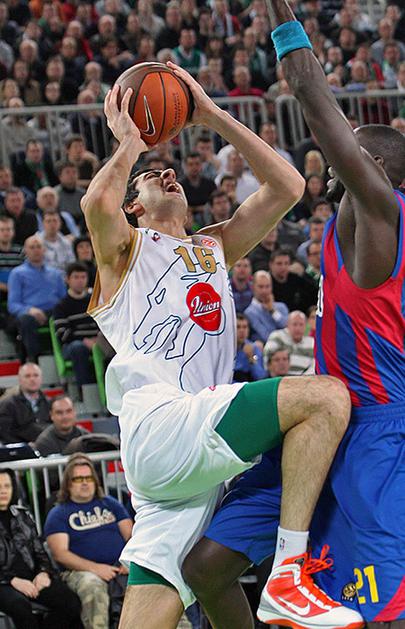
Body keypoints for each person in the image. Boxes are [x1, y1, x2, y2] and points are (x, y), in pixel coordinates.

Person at [81, 62, 361, 629]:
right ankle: (289, 571)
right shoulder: (124, 252)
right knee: (326, 398)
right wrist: (130, 144)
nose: (168, 173)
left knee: (179, 589)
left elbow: (288, 187)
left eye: (169, 170)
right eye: (151, 176)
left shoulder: (212, 248)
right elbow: (96, 206)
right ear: (134, 207)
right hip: (163, 421)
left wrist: (209, 113)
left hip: (184, 459)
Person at [183, 3, 405, 628]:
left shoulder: (382, 214)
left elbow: (309, 89)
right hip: (321, 424)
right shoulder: (344, 227)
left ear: (374, 170)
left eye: (350, 150)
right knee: (207, 568)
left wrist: (279, 13)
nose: (332, 158)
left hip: (374, 435)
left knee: (370, 612)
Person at [45, 454, 132, 629]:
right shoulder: (59, 513)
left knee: (155, 581)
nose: (85, 483)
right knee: (93, 586)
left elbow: (131, 537)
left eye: (88, 478)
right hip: (79, 572)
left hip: (121, 566)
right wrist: (95, 568)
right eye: (78, 479)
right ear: (68, 484)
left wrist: (128, 561)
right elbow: (60, 554)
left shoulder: (111, 504)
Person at [0, 468, 82, 629]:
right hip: (3, 583)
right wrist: (13, 581)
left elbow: (39, 551)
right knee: (20, 606)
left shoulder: (23, 515)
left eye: (7, 486)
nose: (3, 491)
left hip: (32, 577)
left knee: (70, 602)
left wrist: (43, 572)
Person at [7, 235, 66, 361]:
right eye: (32, 247)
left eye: (38, 247)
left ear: (44, 249)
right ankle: (33, 359)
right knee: (26, 320)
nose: (36, 250)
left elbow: (64, 299)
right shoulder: (17, 273)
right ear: (25, 250)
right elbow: (13, 304)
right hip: (29, 313)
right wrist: (30, 310)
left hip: (53, 312)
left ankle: (66, 353)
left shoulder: (56, 273)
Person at [52, 262, 99, 390]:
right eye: (76, 277)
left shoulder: (95, 301)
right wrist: (85, 341)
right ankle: (85, 390)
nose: (80, 281)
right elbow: (63, 334)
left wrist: (98, 339)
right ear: (68, 279)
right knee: (78, 348)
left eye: (83, 277)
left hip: (97, 342)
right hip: (73, 345)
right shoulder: (61, 306)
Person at [0, 362, 51, 444]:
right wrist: (25, 446)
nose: (32, 379)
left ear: (41, 379)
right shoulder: (7, 405)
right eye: (27, 376)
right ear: (20, 380)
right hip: (20, 449)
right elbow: (5, 434)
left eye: (36, 375)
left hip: (47, 447)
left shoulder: (50, 403)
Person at [263, 310, 314, 376]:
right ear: (287, 324)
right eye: (294, 324)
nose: (298, 328)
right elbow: (267, 360)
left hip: (303, 379)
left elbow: (314, 366)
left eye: (301, 324)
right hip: (278, 378)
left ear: (306, 326)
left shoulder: (312, 343)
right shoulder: (277, 337)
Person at [244, 270, 289, 344]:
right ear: (252, 287)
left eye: (267, 286)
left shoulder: (282, 307)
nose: (264, 291)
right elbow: (266, 336)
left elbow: (289, 329)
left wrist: (272, 311)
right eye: (260, 287)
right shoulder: (249, 312)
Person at [234, 313, 266, 382]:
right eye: (238, 327)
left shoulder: (254, 348)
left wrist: (251, 357)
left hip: (247, 385)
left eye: (245, 327)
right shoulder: (225, 349)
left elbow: (260, 377)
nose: (242, 331)